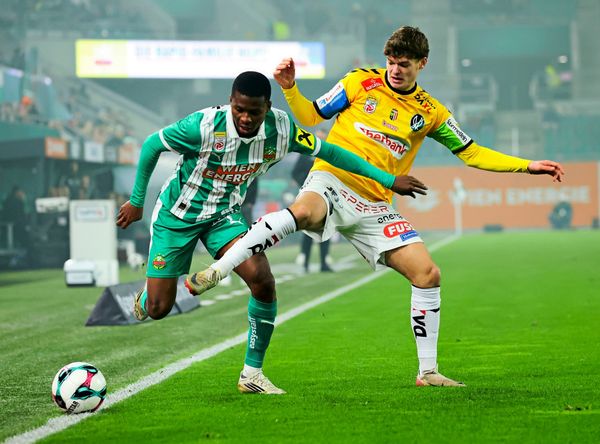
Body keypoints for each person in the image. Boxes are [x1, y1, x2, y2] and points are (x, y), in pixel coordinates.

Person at [186, 27, 565, 388]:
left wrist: (528, 165)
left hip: (374, 204)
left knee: (428, 274)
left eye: (405, 64)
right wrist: (290, 89)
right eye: (392, 62)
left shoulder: (431, 112)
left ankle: (429, 371)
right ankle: (218, 271)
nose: (396, 70)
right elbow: (311, 116)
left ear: (422, 63)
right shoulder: (359, 82)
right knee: (302, 213)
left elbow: (472, 153)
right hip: (332, 180)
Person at [116, 71, 426, 395]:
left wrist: (388, 180)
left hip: (224, 216)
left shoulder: (281, 129)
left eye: (254, 111)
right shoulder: (203, 126)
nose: (245, 118)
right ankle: (148, 296)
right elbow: (152, 145)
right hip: (177, 216)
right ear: (231, 102)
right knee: (159, 309)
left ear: (267, 106)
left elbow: (331, 152)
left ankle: (252, 374)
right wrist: (137, 202)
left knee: (262, 279)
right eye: (239, 109)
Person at [292, 130, 332, 273]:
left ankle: (324, 263)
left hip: (326, 196)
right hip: (309, 197)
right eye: (319, 137)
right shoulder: (306, 154)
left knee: (326, 228)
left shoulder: (328, 154)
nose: (321, 139)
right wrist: (306, 184)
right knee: (308, 229)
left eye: (323, 137)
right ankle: (305, 262)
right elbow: (295, 173)